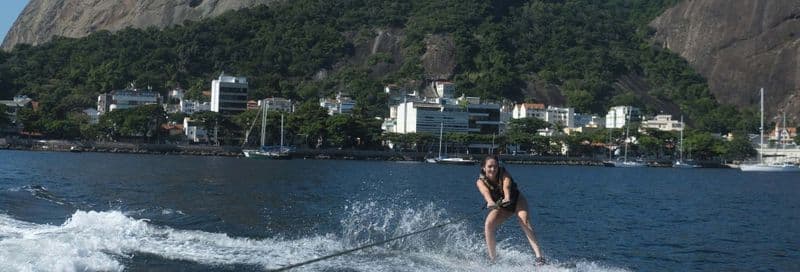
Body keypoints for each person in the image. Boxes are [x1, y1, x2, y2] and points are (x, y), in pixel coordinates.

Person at [476, 155, 545, 265]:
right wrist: (490, 201)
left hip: (517, 200)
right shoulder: (480, 182)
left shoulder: (504, 174)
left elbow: (506, 186)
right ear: (483, 168)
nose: (493, 169)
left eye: (495, 166)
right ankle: (493, 259)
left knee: (524, 221)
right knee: (488, 224)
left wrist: (507, 197)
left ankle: (539, 258)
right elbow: (485, 192)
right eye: (489, 166)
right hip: (502, 206)